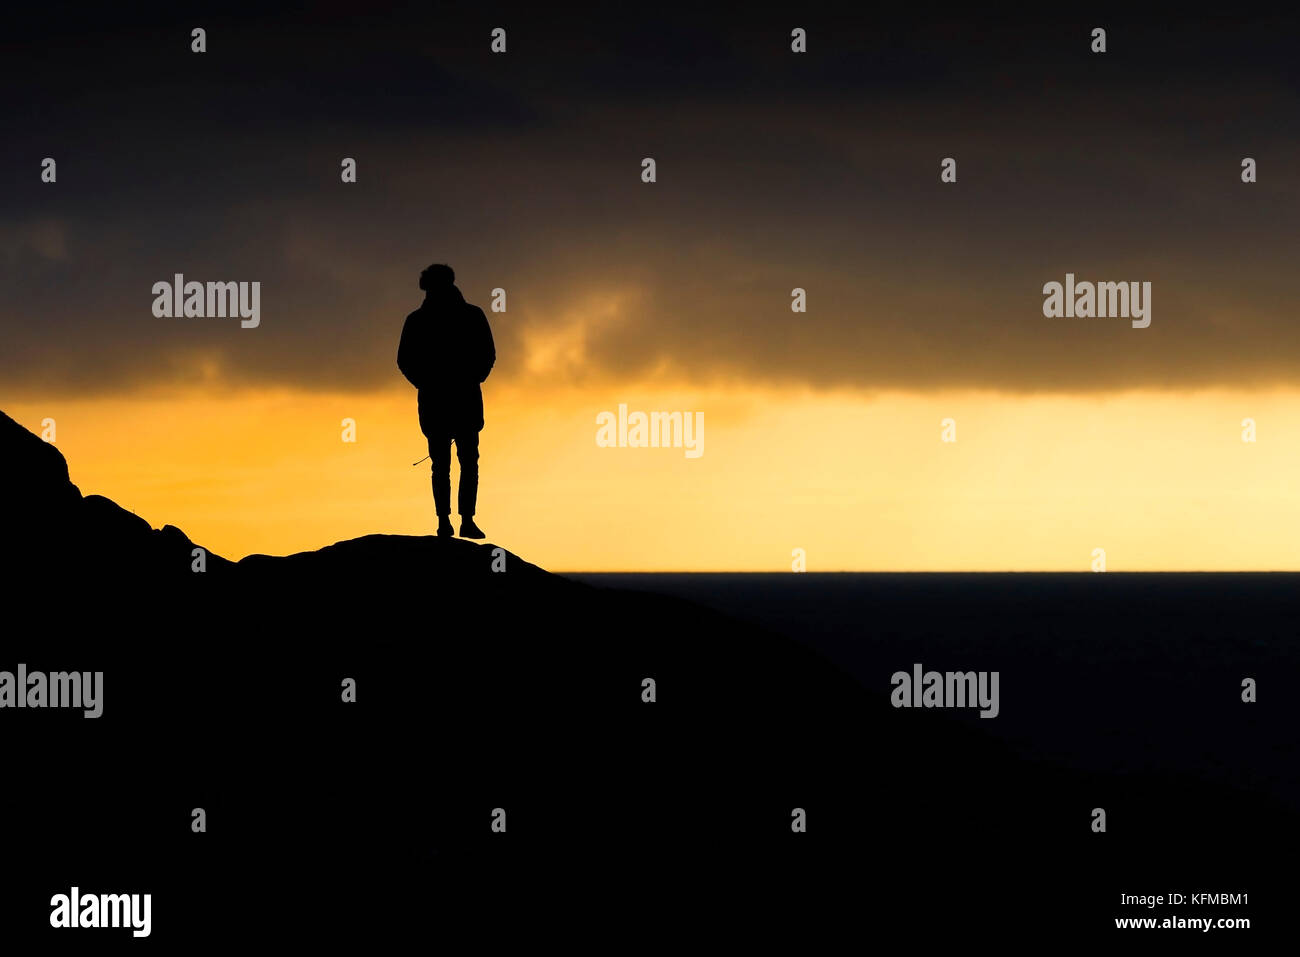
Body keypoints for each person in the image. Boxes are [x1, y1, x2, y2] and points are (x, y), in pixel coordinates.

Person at [397, 263, 495, 538]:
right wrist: (429, 383)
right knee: (454, 464)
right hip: (448, 400)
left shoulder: (424, 319)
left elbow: (487, 354)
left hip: (450, 400)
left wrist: (468, 378)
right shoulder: (464, 315)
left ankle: (457, 521)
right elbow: (405, 360)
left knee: (454, 464)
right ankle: (452, 521)